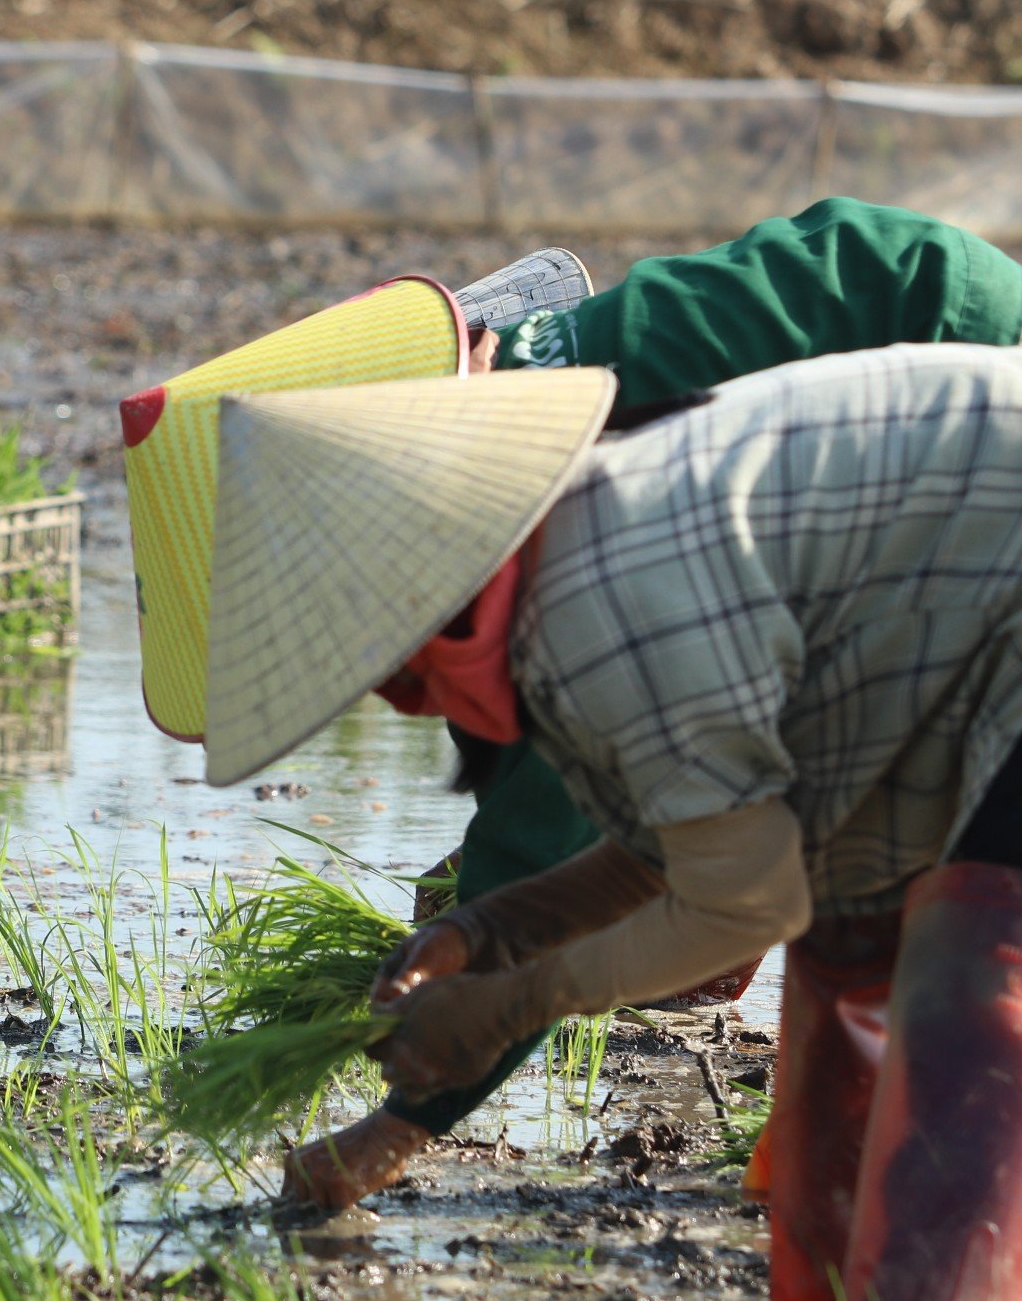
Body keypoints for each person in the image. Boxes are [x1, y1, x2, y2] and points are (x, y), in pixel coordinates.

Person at [195, 348, 1022, 1301]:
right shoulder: (564, 557)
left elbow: (744, 902)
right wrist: (482, 933)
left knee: (965, 1067)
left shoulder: (605, 604)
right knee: (838, 1098)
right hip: (960, 629)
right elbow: (688, 842)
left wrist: (515, 1001)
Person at [284, 197, 1022, 1208]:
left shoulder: (590, 597)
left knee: (955, 1004)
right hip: (923, 436)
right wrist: (482, 933)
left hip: (966, 458)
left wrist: (429, 1090)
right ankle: (825, 1190)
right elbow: (653, 844)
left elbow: (715, 886)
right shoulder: (546, 461)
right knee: (825, 905)